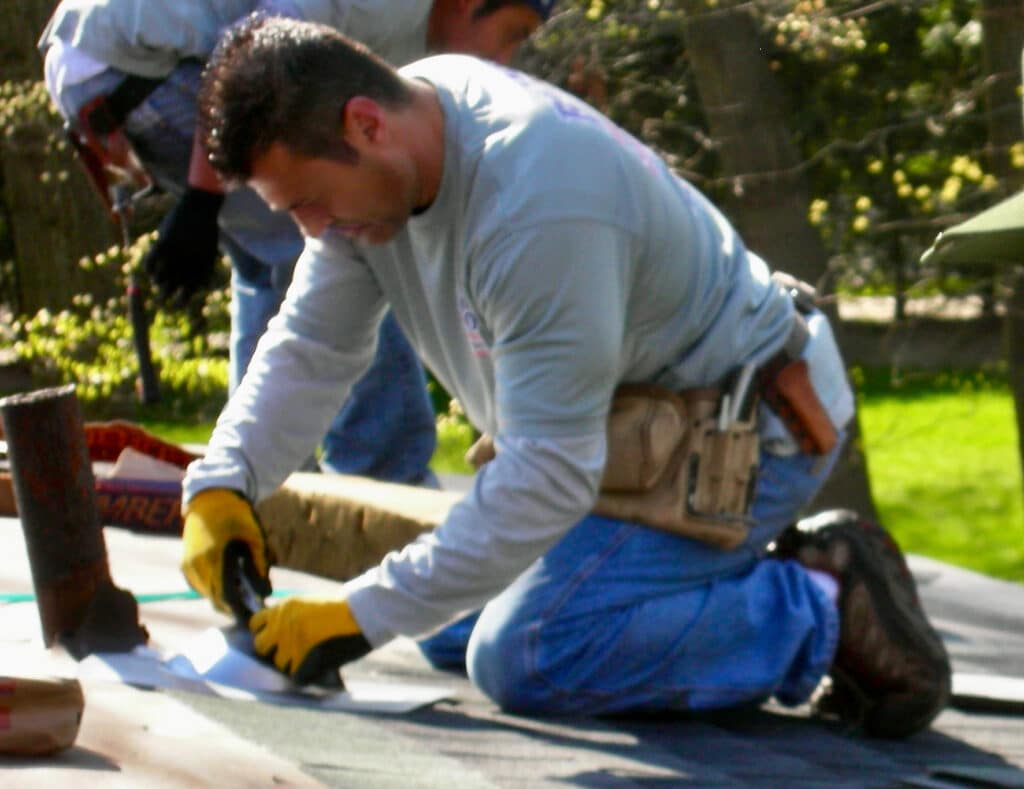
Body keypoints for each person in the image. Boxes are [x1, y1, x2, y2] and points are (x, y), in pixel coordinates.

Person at [180, 15, 951, 739]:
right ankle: (692, 588)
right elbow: (313, 346)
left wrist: (357, 614)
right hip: (628, 438)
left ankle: (822, 606)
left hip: (748, 438)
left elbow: (549, 473)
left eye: (309, 202)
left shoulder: (536, 201)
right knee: (449, 626)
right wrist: (223, 482)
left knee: (528, 652)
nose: (311, 232)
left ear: (364, 124)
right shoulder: (394, 146)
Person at [38, 0, 557, 485]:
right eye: (511, 33)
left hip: (117, 62)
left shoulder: (428, 54)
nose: (505, 57)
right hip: (137, 61)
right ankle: (384, 477)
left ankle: (260, 490)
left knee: (273, 268)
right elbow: (256, 63)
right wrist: (201, 196)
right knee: (353, 240)